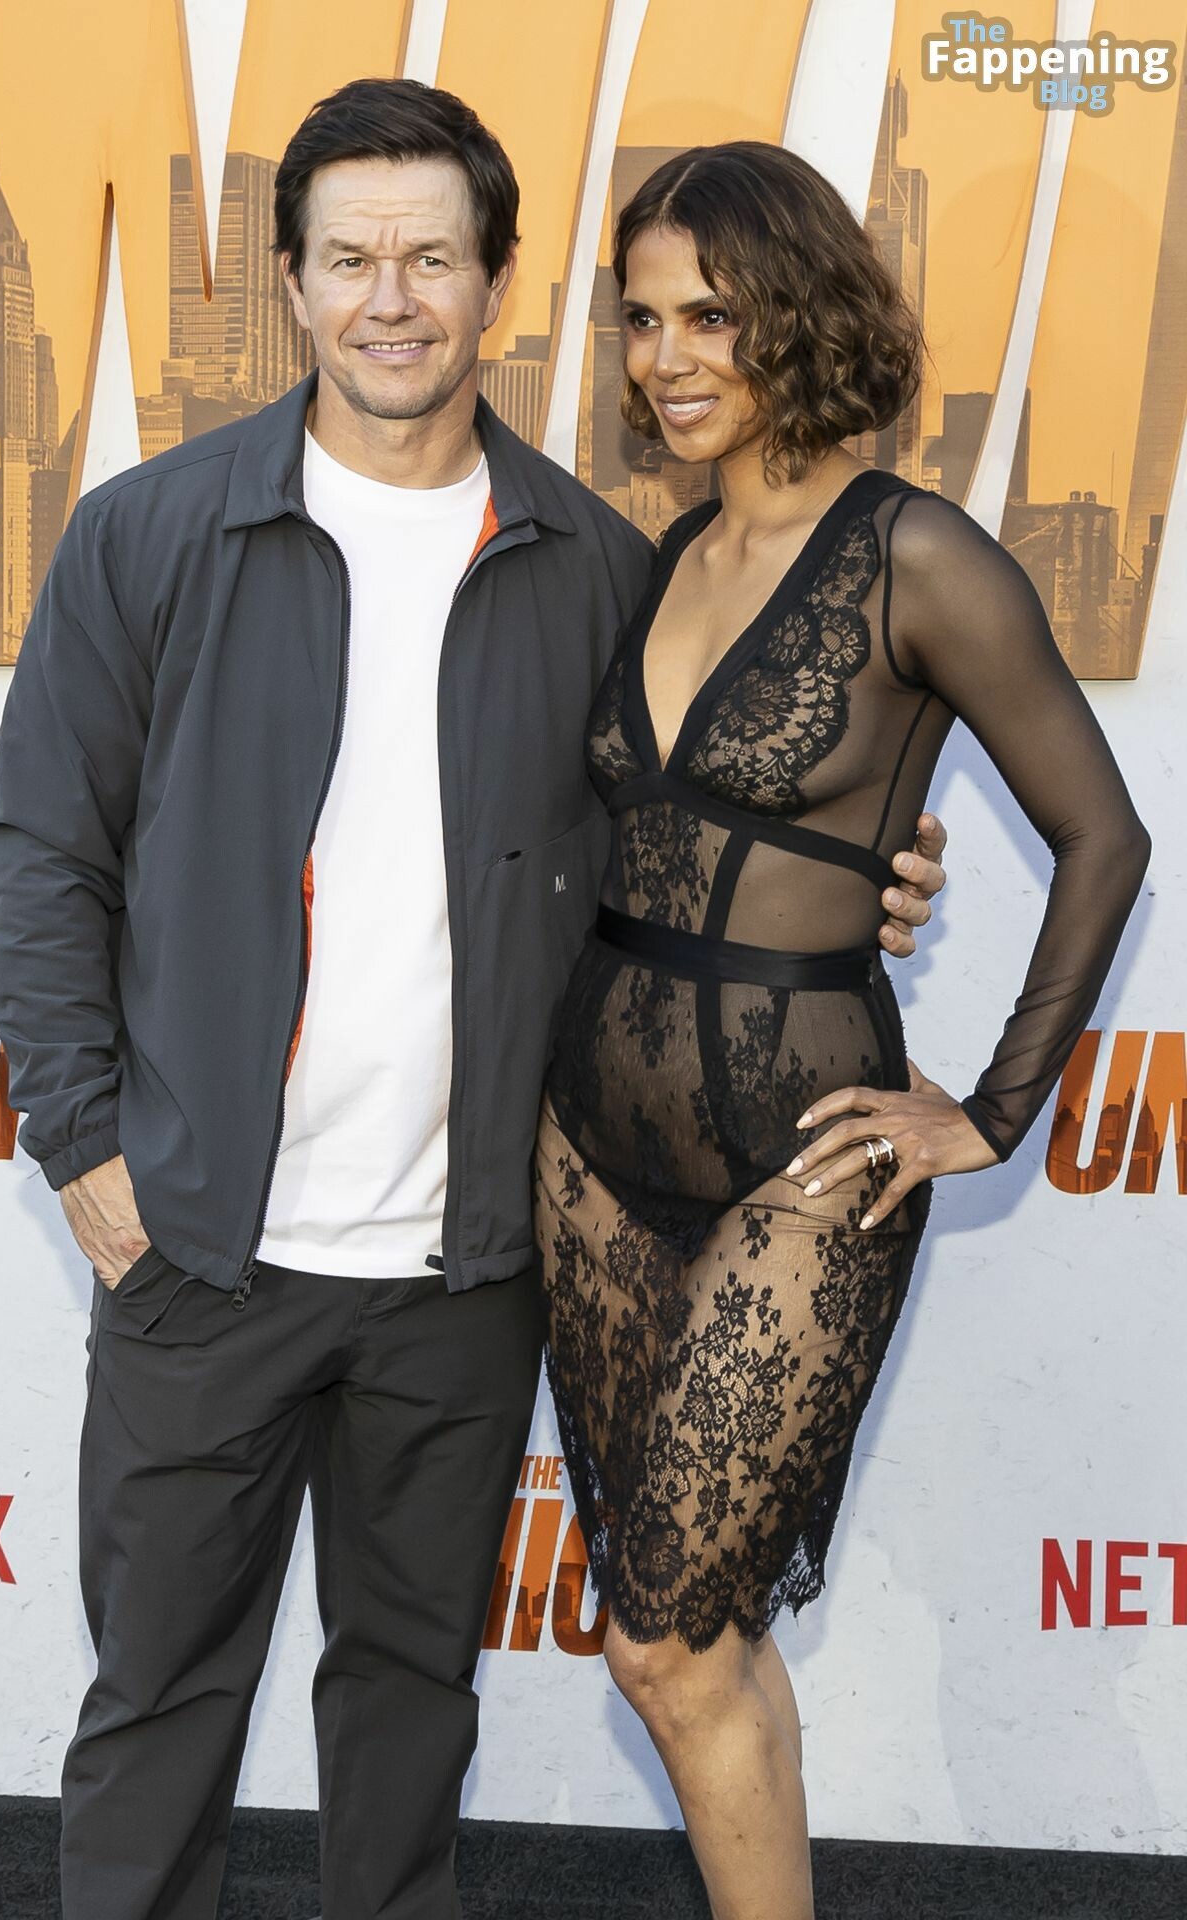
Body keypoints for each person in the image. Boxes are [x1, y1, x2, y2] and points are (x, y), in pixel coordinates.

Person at [0, 82, 947, 1920]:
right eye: (350, 258)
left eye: (431, 257)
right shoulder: (149, 533)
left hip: (471, 1267)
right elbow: (37, 848)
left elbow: (703, 821)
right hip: (197, 1250)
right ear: (291, 281)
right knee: (158, 1705)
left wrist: (865, 874)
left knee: (412, 1707)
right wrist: (84, 1141)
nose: (391, 298)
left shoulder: (601, 563)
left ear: (497, 283)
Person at [532, 139, 1153, 1920]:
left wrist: (997, 1107)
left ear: (799, 312)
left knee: (661, 1643)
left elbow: (1103, 837)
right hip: (587, 1150)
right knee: (701, 1640)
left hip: (802, 1158)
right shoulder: (671, 551)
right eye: (643, 319)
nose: (668, 357)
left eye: (711, 315)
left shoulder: (917, 554)